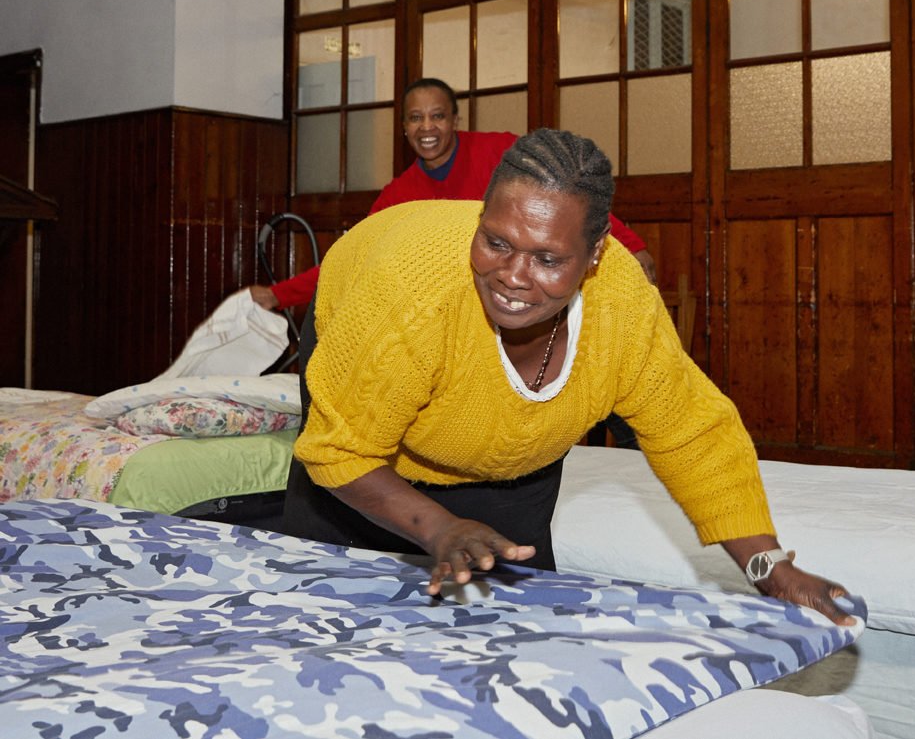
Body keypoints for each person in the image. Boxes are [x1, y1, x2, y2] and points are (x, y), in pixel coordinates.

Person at [283, 128, 855, 627]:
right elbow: (340, 450)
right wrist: (437, 527)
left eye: (548, 259)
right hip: (367, 320)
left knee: (514, 606)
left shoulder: (622, 308)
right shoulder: (408, 298)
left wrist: (770, 569)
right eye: (496, 242)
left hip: (509, 454)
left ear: (595, 253)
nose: (513, 276)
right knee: (341, 591)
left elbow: (692, 432)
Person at [250, 78, 656, 310]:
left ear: (455, 120)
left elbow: (568, 198)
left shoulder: (502, 153)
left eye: (437, 116)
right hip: (459, 313)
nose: (427, 127)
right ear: (404, 128)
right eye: (415, 118)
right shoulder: (397, 196)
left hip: (534, 294)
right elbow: (351, 259)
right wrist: (277, 295)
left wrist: (632, 246)